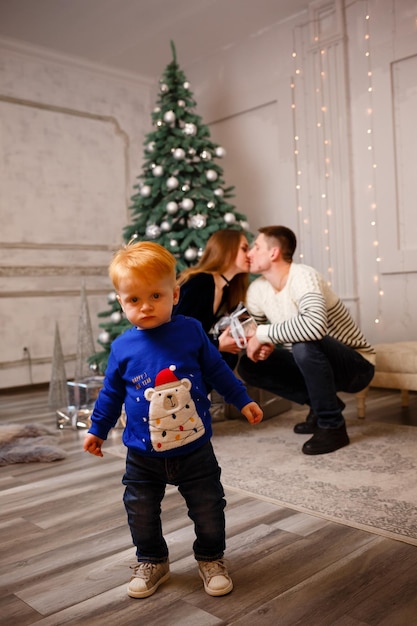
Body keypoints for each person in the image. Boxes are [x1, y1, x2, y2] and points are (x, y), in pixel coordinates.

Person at [83, 241, 263, 600]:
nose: (145, 306)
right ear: (121, 301)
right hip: (142, 454)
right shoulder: (122, 348)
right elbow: (110, 394)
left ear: (175, 294)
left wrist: (242, 399)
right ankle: (152, 559)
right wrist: (97, 429)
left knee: (209, 507)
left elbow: (216, 370)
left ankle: (211, 558)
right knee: (140, 509)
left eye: (155, 296)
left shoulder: (191, 331)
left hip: (195, 449)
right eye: (134, 300)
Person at [237, 225, 375, 455]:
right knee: (250, 366)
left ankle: (333, 425)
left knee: (304, 343)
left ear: (273, 253)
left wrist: (262, 335)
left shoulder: (303, 275)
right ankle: (322, 405)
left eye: (256, 246)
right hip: (310, 362)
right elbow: (258, 336)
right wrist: (262, 347)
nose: (250, 253)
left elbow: (314, 327)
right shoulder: (257, 290)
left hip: (356, 366)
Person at [174, 229, 250, 372]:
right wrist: (217, 345)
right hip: (174, 359)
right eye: (244, 249)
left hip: (191, 357)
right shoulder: (201, 282)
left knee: (230, 355)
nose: (250, 254)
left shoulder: (225, 289)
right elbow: (177, 334)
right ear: (227, 250)